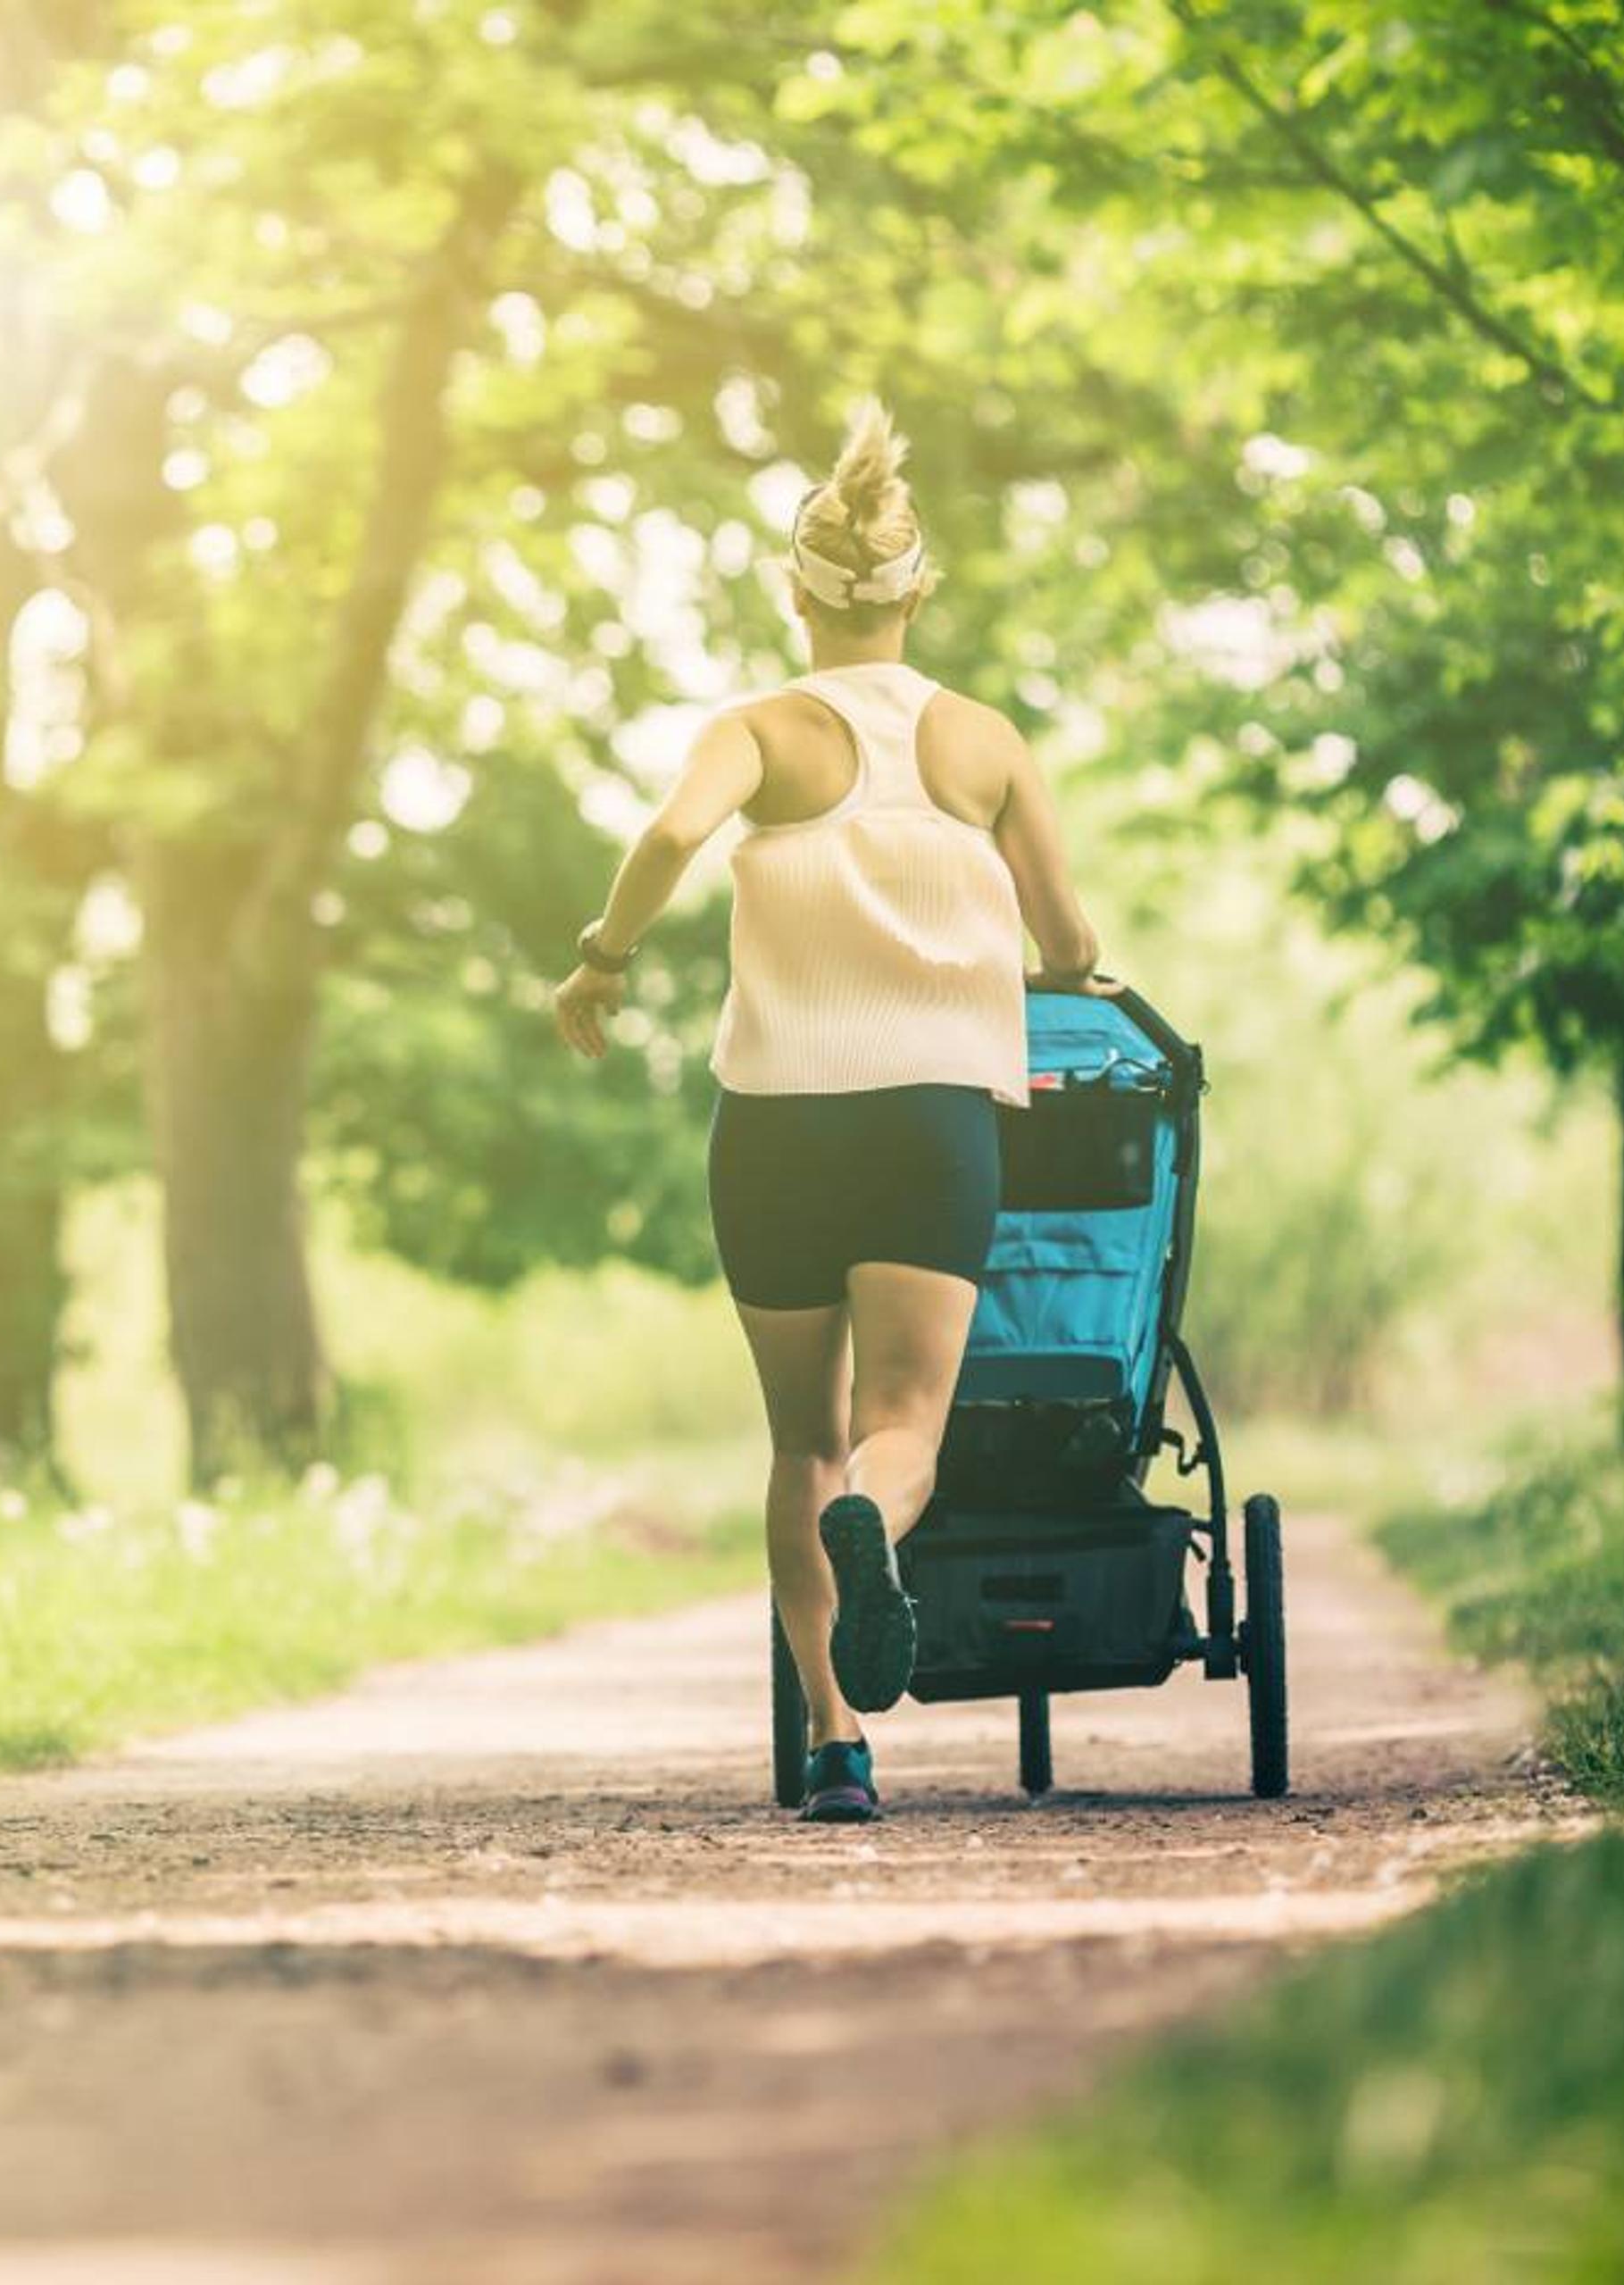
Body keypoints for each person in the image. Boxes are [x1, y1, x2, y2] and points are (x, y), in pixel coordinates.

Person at [547, 397, 1112, 1823]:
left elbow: (675, 832)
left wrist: (601, 961)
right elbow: (1068, 942)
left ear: (795, 594)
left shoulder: (759, 731)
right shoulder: (984, 743)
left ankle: (839, 1741)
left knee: (796, 1442)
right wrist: (1037, 955)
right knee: (902, 1421)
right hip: (933, 1119)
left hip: (777, 1124)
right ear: (918, 590)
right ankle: (883, 1513)